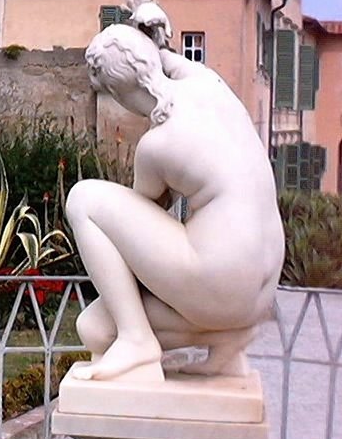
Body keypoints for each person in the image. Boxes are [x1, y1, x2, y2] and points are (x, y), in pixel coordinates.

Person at [66, 23, 284, 382]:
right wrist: (145, 22)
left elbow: (139, 216)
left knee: (85, 199)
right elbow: (164, 57)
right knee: (95, 328)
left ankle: (137, 340)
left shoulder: (157, 146)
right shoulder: (207, 82)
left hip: (219, 278)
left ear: (117, 93)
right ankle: (228, 342)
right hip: (261, 295)